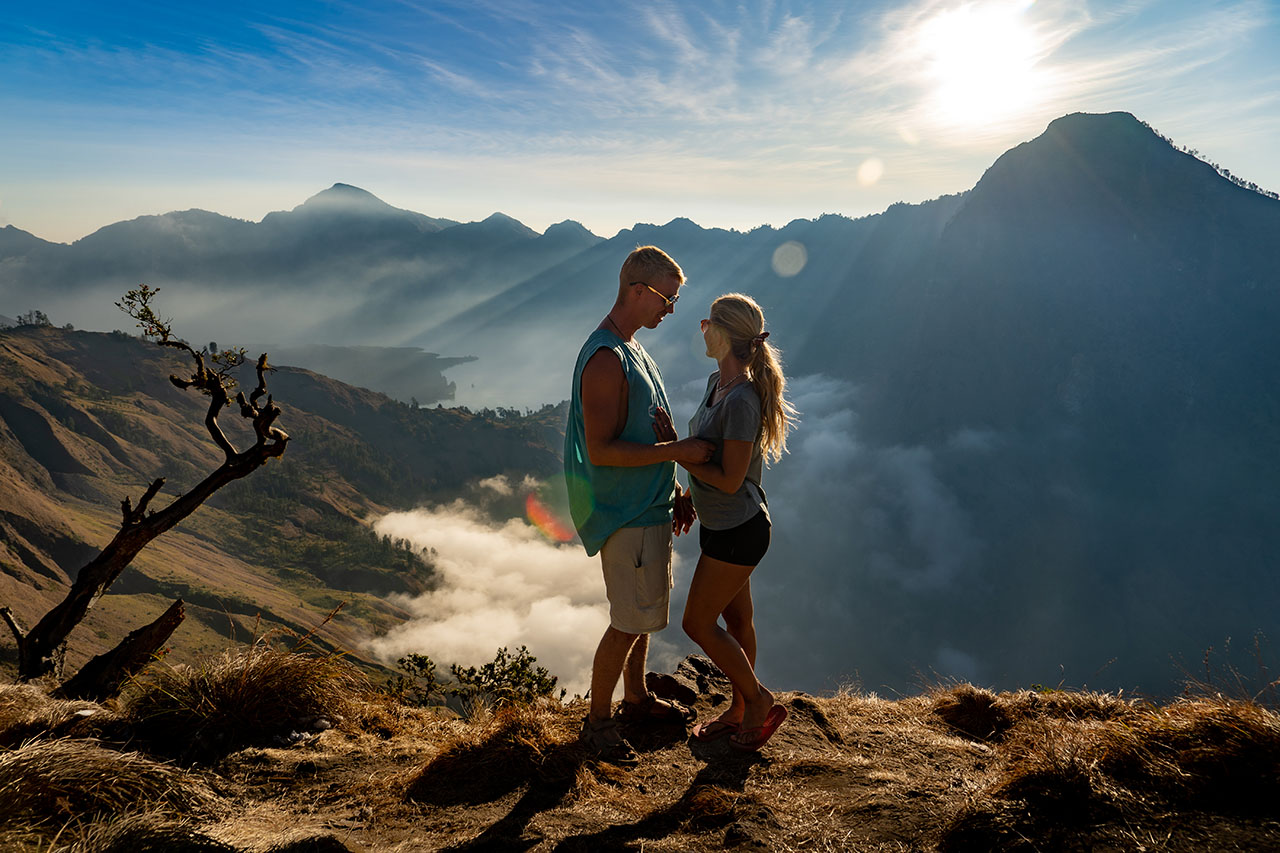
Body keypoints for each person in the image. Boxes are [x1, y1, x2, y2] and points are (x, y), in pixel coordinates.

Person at [565, 245, 713, 766]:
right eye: (666, 298)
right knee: (627, 620)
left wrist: (670, 490)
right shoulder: (607, 358)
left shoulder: (633, 350)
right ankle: (598, 722)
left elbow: (641, 433)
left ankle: (636, 699)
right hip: (624, 514)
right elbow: (603, 450)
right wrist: (679, 454)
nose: (670, 310)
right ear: (635, 290)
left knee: (643, 614)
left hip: (646, 507)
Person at [671, 292, 798, 751]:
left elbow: (728, 479)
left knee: (696, 624)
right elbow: (713, 460)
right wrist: (687, 492)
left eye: (708, 323)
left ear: (723, 334)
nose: (701, 327)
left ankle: (758, 699)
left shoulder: (742, 399)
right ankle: (742, 708)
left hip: (738, 530)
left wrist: (679, 454)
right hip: (724, 525)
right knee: (738, 620)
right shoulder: (715, 383)